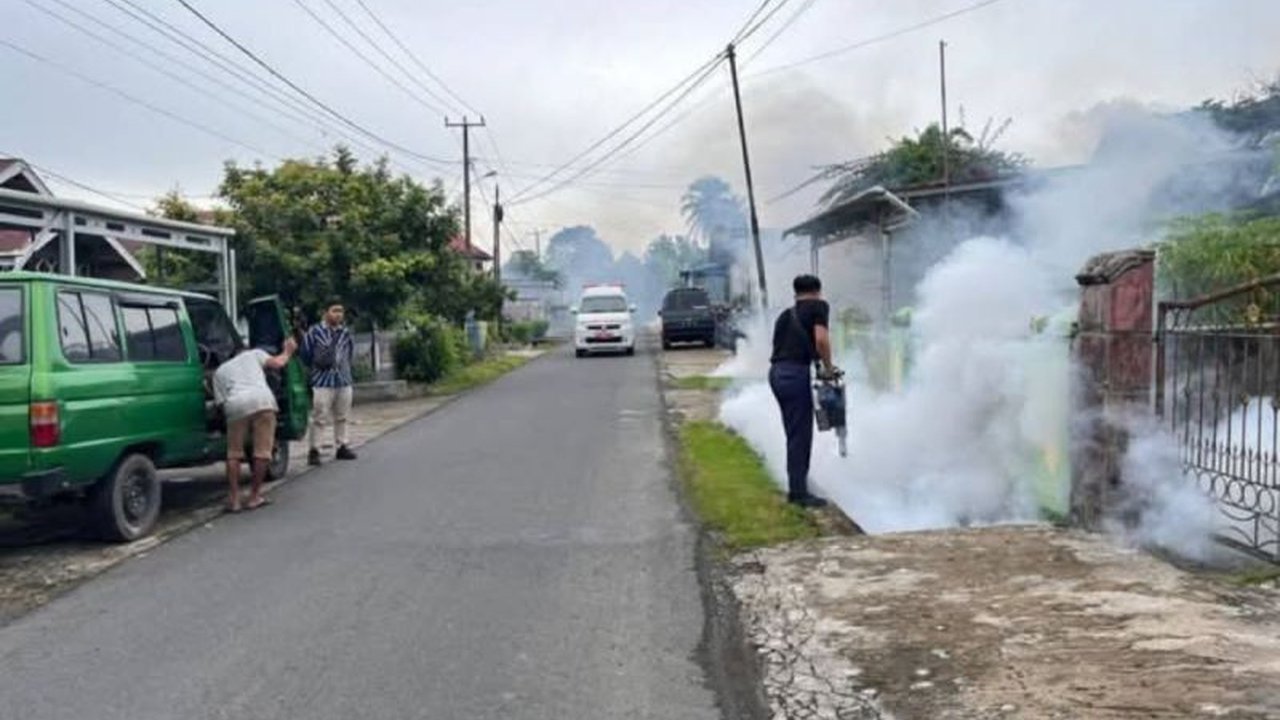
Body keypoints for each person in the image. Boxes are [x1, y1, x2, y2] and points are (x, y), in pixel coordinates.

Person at [769, 274, 836, 508]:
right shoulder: (819, 307)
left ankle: (796, 483)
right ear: (818, 290)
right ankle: (798, 493)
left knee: (793, 432)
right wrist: (829, 368)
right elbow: (821, 341)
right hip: (794, 374)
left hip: (777, 374)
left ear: (795, 292)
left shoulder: (785, 315)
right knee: (800, 435)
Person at [214, 339, 297, 512]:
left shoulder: (219, 372)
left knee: (234, 454)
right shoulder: (254, 354)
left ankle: (235, 500)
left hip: (236, 404)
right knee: (262, 452)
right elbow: (278, 363)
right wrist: (288, 351)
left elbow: (220, 405)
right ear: (244, 350)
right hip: (263, 401)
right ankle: (254, 497)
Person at [302, 300, 357, 466]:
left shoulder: (345, 333)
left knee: (342, 415)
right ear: (326, 312)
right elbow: (305, 353)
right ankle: (314, 450)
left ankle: (342, 445)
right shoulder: (314, 332)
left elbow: (350, 353)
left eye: (341, 311)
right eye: (334, 310)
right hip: (322, 381)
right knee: (319, 416)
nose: (338, 314)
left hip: (343, 379)